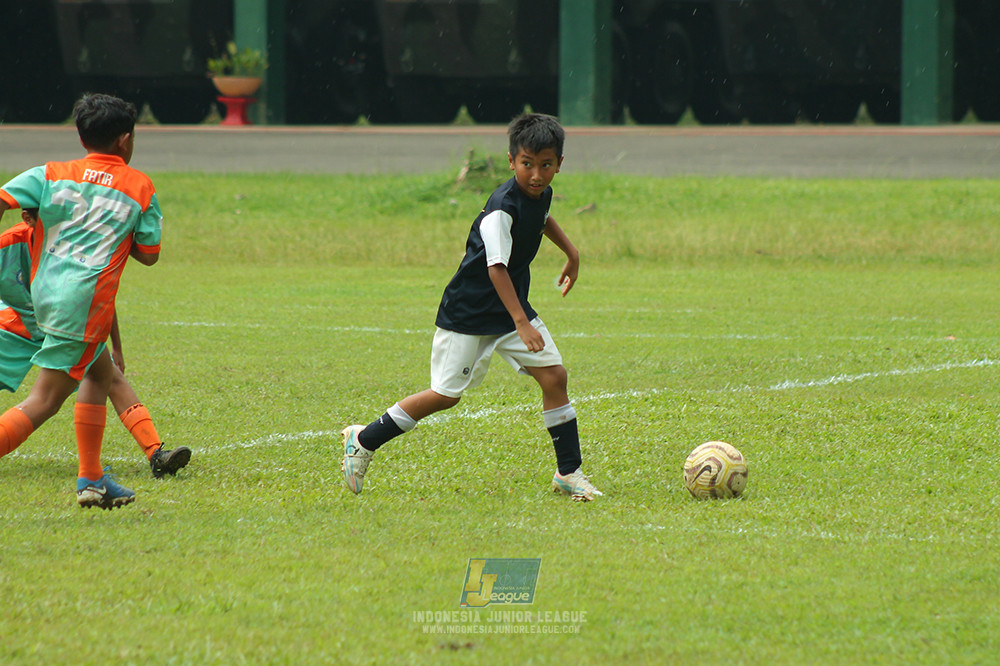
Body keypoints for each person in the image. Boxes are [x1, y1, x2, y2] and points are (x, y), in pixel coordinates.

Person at [340, 113, 602, 501]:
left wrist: (572, 252)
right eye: (527, 164)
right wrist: (522, 322)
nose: (536, 175)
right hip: (471, 312)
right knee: (445, 395)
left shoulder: (540, 193)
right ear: (511, 161)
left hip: (510, 309)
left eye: (546, 165)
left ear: (559, 165)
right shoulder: (501, 208)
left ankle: (569, 472)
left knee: (554, 377)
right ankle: (364, 438)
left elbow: (543, 219)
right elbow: (495, 269)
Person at [0, 93, 162, 510]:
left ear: (80, 135)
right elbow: (149, 254)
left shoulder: (50, 174)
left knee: (98, 372)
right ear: (125, 140)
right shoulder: (139, 186)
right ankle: (91, 479)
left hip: (45, 293)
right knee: (46, 400)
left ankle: (92, 480)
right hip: (84, 303)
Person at [0, 208, 190, 478]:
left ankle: (155, 453)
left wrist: (117, 348)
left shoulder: (70, 247)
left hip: (66, 327)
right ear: (27, 219)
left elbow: (98, 297)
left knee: (108, 377)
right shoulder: (7, 247)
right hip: (17, 327)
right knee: (46, 401)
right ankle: (98, 475)